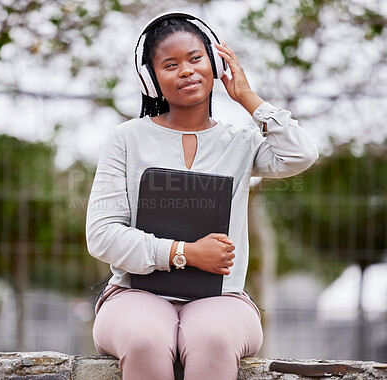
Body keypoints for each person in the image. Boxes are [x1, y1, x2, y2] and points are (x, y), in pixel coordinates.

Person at [86, 12, 318, 380]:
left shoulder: (241, 143)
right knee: (146, 339)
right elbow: (102, 235)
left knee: (211, 339)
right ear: (151, 80)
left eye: (196, 58)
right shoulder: (125, 139)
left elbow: (300, 154)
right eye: (170, 64)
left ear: (214, 62)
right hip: (134, 294)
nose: (187, 71)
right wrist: (184, 253)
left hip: (221, 298)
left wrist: (247, 96)